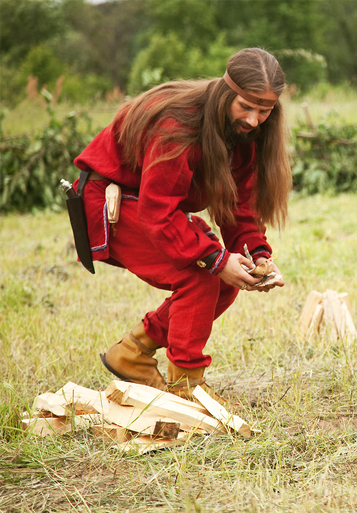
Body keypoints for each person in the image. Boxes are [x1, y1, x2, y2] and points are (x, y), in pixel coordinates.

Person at [72, 48, 291, 401]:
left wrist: (257, 255)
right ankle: (187, 386)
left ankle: (132, 353)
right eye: (246, 106)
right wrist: (216, 259)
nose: (253, 120)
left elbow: (239, 207)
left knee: (226, 281)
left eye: (264, 111)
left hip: (148, 203)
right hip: (109, 199)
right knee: (202, 270)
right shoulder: (180, 125)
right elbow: (158, 210)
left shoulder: (245, 136)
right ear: (226, 92)